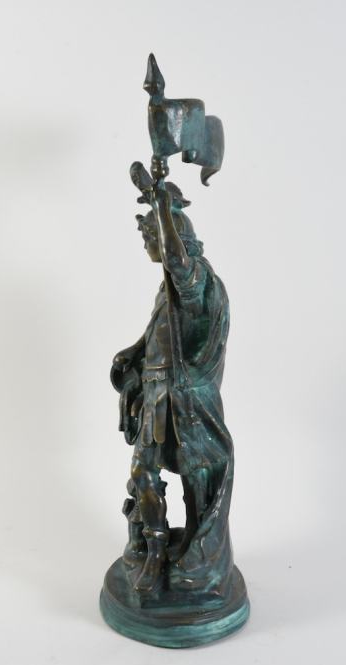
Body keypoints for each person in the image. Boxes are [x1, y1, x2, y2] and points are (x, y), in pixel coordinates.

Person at [111, 163, 235, 597]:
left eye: (151, 237)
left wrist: (160, 202)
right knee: (142, 472)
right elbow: (159, 334)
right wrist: (133, 353)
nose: (147, 244)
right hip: (157, 392)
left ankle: (197, 559)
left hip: (185, 400)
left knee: (195, 479)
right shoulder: (166, 291)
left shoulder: (195, 278)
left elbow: (178, 263)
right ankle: (153, 550)